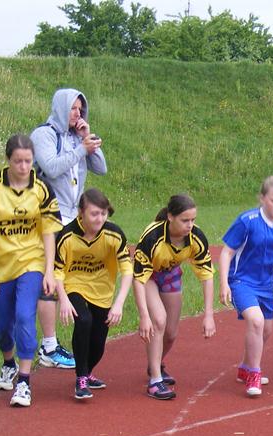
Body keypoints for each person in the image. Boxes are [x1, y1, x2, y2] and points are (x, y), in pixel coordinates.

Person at [0, 134, 62, 407]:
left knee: (24, 315)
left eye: (28, 161)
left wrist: (48, 271)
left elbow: (49, 233)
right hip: (0, 266)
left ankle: (24, 380)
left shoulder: (42, 189)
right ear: (8, 160)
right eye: (18, 161)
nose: (23, 167)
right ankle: (8, 362)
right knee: (0, 326)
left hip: (30, 261)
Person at [31, 88, 108, 370]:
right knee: (50, 280)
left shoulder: (77, 137)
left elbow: (101, 168)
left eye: (80, 109)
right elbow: (51, 168)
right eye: (73, 108)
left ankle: (56, 343)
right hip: (50, 215)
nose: (77, 113)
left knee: (68, 278)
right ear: (61, 108)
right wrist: (80, 150)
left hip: (73, 216)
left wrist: (87, 138)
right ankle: (48, 346)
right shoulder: (44, 134)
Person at [220, 176, 273, 397]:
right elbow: (226, 252)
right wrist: (224, 284)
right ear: (262, 198)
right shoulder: (247, 221)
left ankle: (245, 367)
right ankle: (254, 374)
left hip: (265, 284)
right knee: (256, 321)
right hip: (241, 281)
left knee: (265, 330)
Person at [132, 194, 216, 400]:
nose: (190, 225)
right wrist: (144, 316)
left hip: (170, 274)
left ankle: (155, 365)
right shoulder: (152, 237)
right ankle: (155, 381)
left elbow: (206, 276)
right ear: (170, 217)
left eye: (193, 220)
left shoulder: (196, 237)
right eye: (185, 220)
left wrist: (209, 315)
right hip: (149, 277)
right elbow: (139, 279)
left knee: (170, 333)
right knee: (158, 320)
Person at [55, 189, 133, 400]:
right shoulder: (67, 235)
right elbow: (57, 272)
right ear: (81, 213)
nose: (99, 219)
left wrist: (119, 304)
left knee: (98, 343)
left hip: (102, 289)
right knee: (84, 321)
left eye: (103, 213)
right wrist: (63, 299)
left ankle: (87, 372)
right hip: (74, 284)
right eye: (94, 214)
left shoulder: (114, 234)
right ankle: (81, 378)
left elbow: (127, 270)